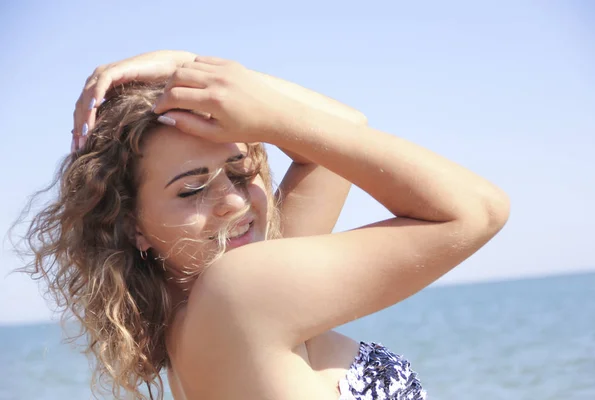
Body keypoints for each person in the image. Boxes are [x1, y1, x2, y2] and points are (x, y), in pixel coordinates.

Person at [17, 50, 510, 400]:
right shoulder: (239, 293)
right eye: (191, 189)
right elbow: (477, 210)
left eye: (240, 171)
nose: (234, 202)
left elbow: (343, 127)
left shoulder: (209, 316)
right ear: (133, 227)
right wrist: (254, 107)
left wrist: (191, 70)